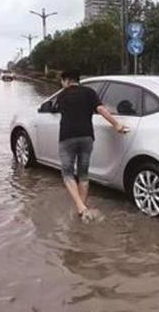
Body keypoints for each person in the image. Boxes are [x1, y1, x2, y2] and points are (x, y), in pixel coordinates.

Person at [55, 69, 127, 222]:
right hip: (87, 137)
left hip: (67, 137)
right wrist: (116, 124)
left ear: (66, 80)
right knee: (83, 174)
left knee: (67, 173)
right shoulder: (89, 92)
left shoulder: (62, 95)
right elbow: (101, 109)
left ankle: (81, 207)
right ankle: (83, 212)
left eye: (62, 81)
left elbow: (56, 109)